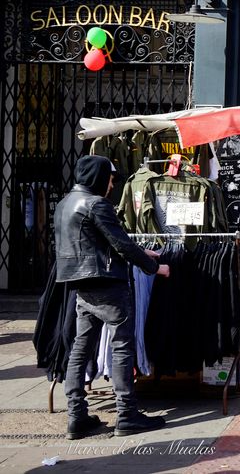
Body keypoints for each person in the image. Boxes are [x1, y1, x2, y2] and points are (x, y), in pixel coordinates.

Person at [55, 156, 171, 440]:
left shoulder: (64, 204)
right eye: (109, 178)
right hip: (108, 285)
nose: (111, 185)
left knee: (80, 349)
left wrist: (145, 253)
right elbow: (120, 244)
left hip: (82, 286)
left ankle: (76, 415)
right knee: (121, 346)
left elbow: (99, 241)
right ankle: (127, 414)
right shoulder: (96, 204)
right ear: (98, 177)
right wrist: (155, 267)